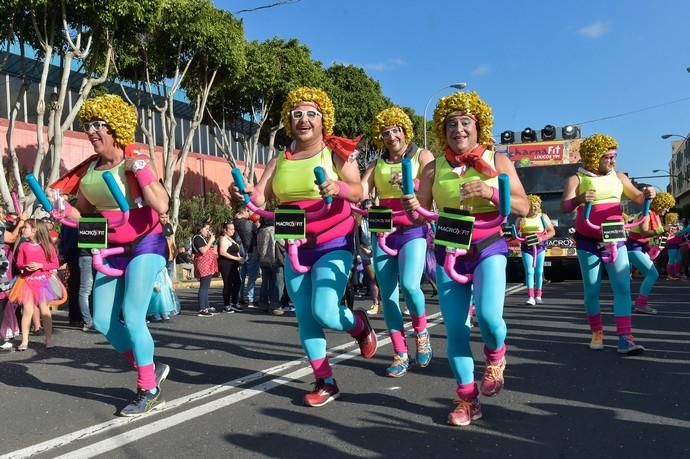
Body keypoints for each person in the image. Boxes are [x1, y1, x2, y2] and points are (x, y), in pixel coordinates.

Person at [233, 86, 377, 407]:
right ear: (289, 120)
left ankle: (359, 325)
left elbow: (357, 192)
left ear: (323, 119)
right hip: (295, 244)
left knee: (325, 309)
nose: (304, 119)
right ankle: (325, 380)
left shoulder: (336, 152)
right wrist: (245, 193)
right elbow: (260, 196)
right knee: (305, 315)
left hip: (334, 240)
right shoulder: (279, 159)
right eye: (297, 114)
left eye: (311, 113)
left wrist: (335, 185)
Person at [402, 91, 529, 426]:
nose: (458, 129)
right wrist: (413, 208)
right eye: (451, 124)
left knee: (488, 316)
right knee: (456, 329)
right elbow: (421, 213)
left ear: (478, 127)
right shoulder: (432, 168)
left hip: (488, 245)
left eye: (465, 123)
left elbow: (523, 206)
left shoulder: (498, 160)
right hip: (447, 250)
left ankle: (496, 356)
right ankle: (466, 398)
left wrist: (489, 191)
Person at [48, 94, 171, 416]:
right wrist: (60, 209)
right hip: (112, 249)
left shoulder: (135, 160)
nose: (91, 131)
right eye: (88, 125)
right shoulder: (89, 171)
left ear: (115, 127)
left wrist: (142, 171)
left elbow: (162, 206)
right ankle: (149, 368)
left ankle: (147, 387)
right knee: (102, 319)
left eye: (98, 124)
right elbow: (83, 215)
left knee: (132, 316)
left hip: (147, 243)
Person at [560, 133, 655, 355]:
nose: (613, 161)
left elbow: (639, 199)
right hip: (587, 240)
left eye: (614, 156)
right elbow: (565, 207)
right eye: (608, 157)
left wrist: (649, 193)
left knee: (622, 287)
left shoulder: (619, 177)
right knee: (591, 289)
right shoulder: (576, 179)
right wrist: (579, 200)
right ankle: (597, 333)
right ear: (594, 157)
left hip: (615, 237)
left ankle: (625, 337)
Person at [362, 106, 435, 378]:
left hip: (413, 228)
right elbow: (360, 189)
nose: (391, 136)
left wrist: (414, 183)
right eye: (385, 132)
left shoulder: (422, 155)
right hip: (383, 230)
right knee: (388, 295)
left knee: (409, 285)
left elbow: (436, 183)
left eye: (395, 130)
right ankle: (400, 353)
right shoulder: (375, 164)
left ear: (405, 132)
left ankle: (421, 331)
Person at [8, 219, 66, 350]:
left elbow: (55, 264)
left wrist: (41, 265)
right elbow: (19, 263)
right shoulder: (23, 246)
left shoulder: (47, 246)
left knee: (45, 310)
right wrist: (25, 266)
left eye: (26, 227)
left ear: (34, 230)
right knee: (27, 310)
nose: (23, 230)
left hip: (43, 282)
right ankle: (24, 341)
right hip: (27, 282)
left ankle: (49, 338)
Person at [626, 192, 674, 314]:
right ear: (660, 205)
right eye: (666, 206)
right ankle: (640, 304)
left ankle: (641, 302)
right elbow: (644, 233)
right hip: (634, 248)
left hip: (639, 248)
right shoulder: (646, 214)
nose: (667, 210)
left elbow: (651, 234)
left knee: (651, 274)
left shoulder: (653, 215)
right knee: (652, 274)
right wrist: (662, 229)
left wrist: (663, 234)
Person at [513, 195, 555, 305]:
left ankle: (538, 295)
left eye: (536, 206)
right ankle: (530, 296)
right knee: (529, 271)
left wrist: (542, 238)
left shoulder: (543, 217)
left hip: (540, 247)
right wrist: (521, 238)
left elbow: (552, 231)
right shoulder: (521, 218)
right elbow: (516, 233)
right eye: (532, 206)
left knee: (539, 271)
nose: (535, 209)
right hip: (527, 247)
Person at [256, 218, 285, 315]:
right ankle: (275, 305)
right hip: (275, 260)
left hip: (263, 259)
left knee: (266, 283)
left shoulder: (260, 231)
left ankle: (263, 304)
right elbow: (283, 243)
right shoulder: (275, 230)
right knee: (279, 283)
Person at [191, 222, 218, 316]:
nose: (208, 231)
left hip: (207, 263)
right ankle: (202, 308)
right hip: (203, 264)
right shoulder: (197, 238)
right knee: (204, 286)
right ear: (200, 229)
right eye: (206, 229)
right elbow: (203, 250)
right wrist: (210, 241)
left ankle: (206, 306)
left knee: (206, 286)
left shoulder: (202, 238)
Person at [217, 221, 244, 312]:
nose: (233, 231)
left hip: (233, 265)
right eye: (230, 229)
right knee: (228, 284)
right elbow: (222, 252)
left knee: (237, 282)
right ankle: (226, 305)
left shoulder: (230, 238)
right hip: (225, 264)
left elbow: (234, 250)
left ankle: (234, 302)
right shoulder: (223, 238)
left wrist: (239, 258)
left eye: (233, 229)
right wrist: (236, 259)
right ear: (225, 230)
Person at [234, 205, 258, 307]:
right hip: (251, 250)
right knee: (252, 276)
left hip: (238, 253)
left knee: (241, 276)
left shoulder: (232, 223)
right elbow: (256, 235)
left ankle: (240, 298)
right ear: (243, 211)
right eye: (248, 211)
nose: (250, 213)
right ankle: (250, 299)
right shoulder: (250, 223)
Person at [664, 212, 686, 280]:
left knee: (678, 259)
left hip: (677, 244)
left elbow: (680, 232)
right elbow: (669, 234)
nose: (677, 219)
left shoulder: (676, 225)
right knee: (671, 259)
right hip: (671, 245)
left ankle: (676, 273)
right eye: (676, 218)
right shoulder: (668, 226)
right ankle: (670, 275)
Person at [160, 213, 176, 278]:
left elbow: (172, 240)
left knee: (169, 275)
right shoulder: (156, 227)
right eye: (162, 217)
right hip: (161, 256)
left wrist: (174, 252)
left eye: (166, 217)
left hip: (170, 256)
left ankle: (169, 287)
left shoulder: (169, 225)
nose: (165, 219)